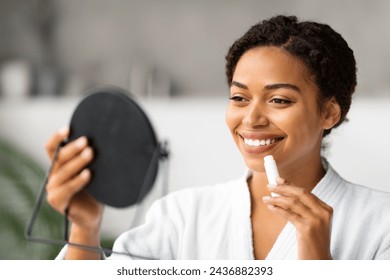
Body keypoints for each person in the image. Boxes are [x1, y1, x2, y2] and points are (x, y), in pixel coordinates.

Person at [46, 15, 390, 260]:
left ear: (330, 113)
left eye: (279, 100)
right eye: (239, 98)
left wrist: (318, 264)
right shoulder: (182, 216)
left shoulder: (380, 223)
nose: (251, 118)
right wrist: (85, 229)